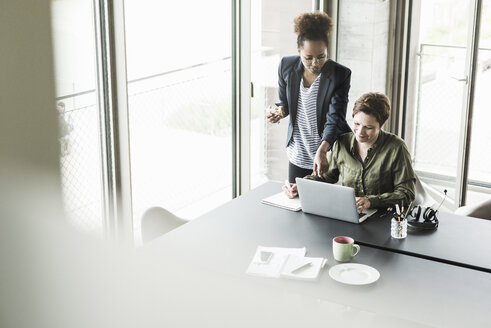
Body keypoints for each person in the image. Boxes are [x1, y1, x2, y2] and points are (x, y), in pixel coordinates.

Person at [286, 92, 416, 213]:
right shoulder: (342, 143)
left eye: (368, 127)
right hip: (350, 214)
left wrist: (371, 201)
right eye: (356, 124)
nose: (360, 132)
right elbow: (325, 177)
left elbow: (406, 193)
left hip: (383, 217)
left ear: (382, 124)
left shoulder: (396, 147)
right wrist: (301, 186)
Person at [267, 11, 351, 184]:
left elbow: (335, 118)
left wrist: (322, 150)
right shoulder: (286, 66)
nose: (315, 63)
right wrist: (279, 113)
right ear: (299, 51)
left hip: (326, 153)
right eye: (308, 58)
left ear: (327, 50)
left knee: (321, 206)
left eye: (321, 56)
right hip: (298, 152)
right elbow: (285, 104)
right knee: (294, 201)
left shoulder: (340, 75)